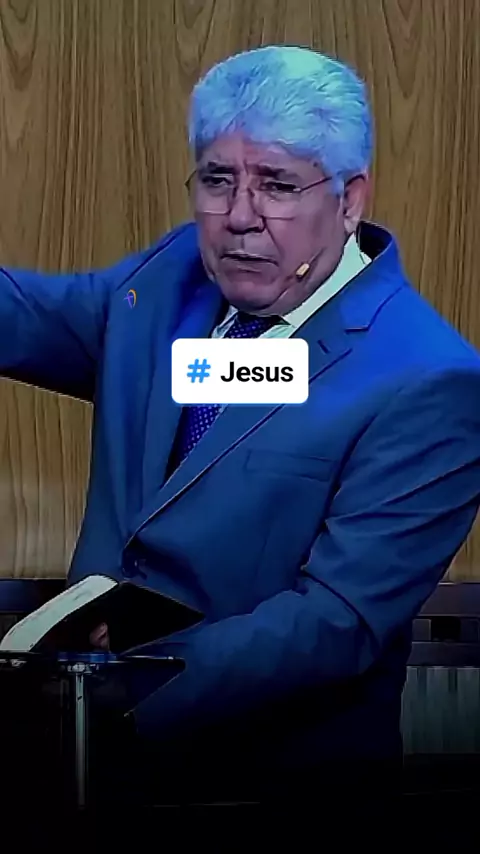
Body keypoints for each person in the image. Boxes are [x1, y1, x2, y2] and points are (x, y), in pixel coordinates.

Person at [2, 44, 480, 808]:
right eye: (217, 179)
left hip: (268, 798)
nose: (239, 218)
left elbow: (336, 622)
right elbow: (28, 319)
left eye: (278, 185)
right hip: (86, 779)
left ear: (350, 200)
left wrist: (117, 688)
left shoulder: (428, 379)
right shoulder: (172, 280)